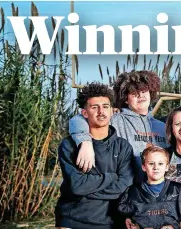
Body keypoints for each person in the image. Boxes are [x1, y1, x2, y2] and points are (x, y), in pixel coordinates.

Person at [55, 83, 134, 229]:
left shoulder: (123, 147)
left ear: (112, 111)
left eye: (105, 106)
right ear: (84, 113)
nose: (101, 111)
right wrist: (111, 177)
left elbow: (124, 185)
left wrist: (86, 191)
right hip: (73, 220)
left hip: (111, 222)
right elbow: (77, 186)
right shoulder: (69, 145)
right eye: (94, 107)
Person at [69, 70, 168, 184]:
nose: (140, 95)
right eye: (134, 93)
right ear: (126, 98)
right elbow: (77, 119)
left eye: (143, 91)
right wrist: (85, 142)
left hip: (156, 191)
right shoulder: (116, 119)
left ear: (151, 93)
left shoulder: (162, 127)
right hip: (128, 189)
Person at [118, 146, 181, 229]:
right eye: (151, 163)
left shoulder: (178, 191)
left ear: (167, 167)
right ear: (143, 167)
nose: (156, 167)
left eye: (160, 163)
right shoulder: (132, 192)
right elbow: (126, 221)